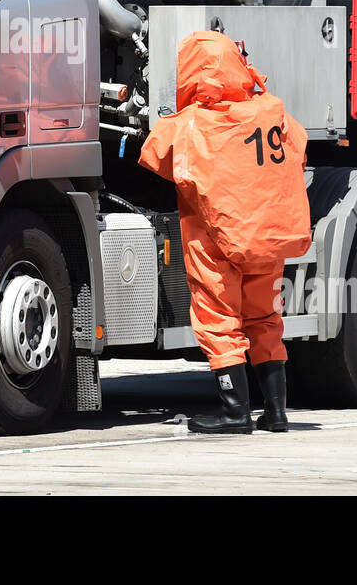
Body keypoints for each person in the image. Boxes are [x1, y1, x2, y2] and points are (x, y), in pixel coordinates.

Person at [139, 30, 312, 433]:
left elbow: (152, 154)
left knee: (219, 319)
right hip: (264, 235)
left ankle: (235, 413)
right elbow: (300, 148)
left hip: (213, 238)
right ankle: (276, 413)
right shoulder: (274, 113)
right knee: (265, 319)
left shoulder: (188, 125)